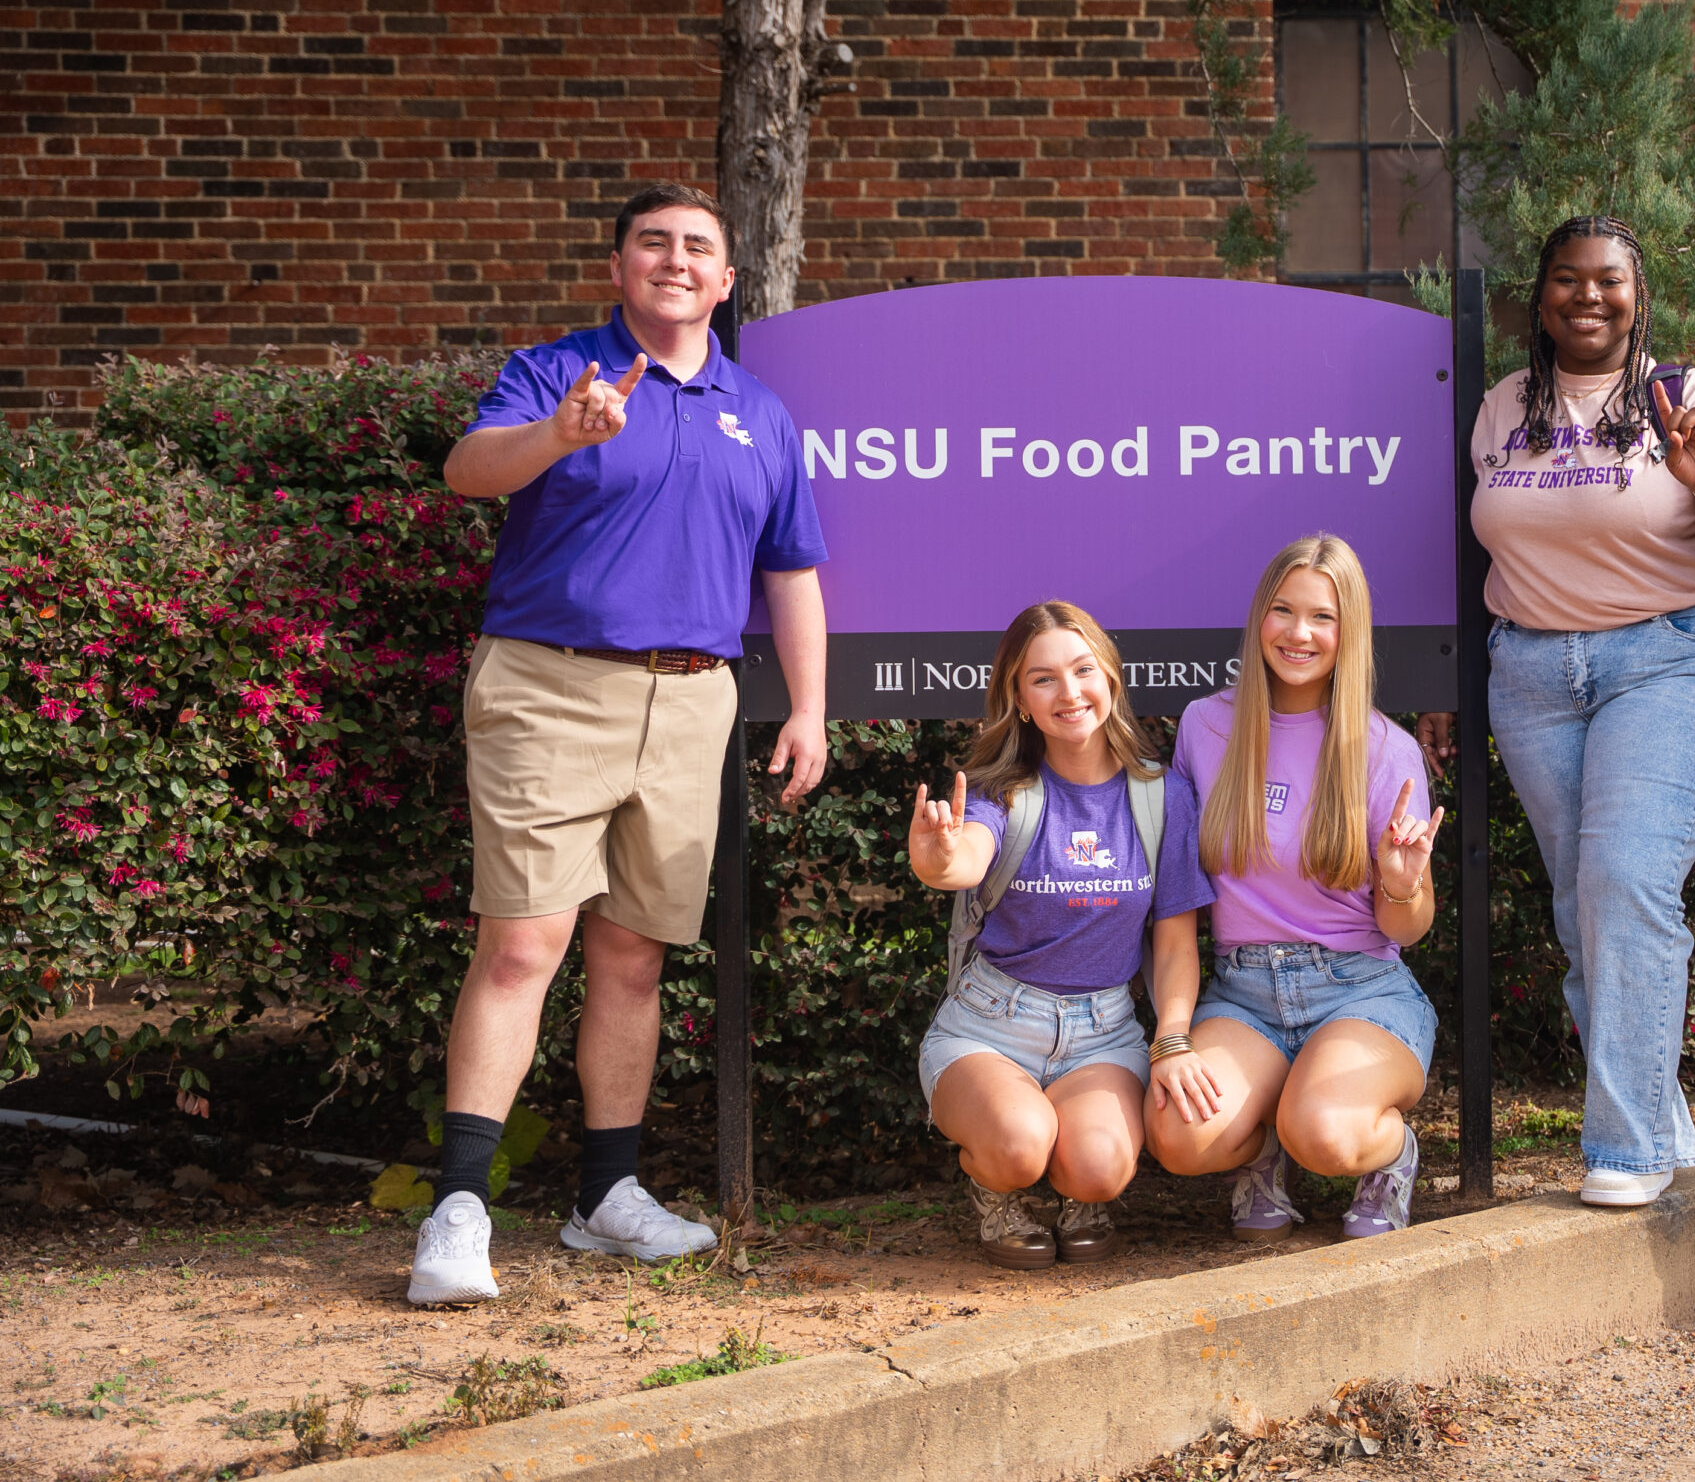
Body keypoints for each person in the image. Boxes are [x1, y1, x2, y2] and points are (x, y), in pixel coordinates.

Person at [408, 182, 831, 1306]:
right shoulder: (561, 372)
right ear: (618, 267)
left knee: (633, 957)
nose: (677, 260)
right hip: (552, 687)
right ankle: (459, 1210)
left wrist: (805, 707)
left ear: (728, 280)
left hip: (694, 703)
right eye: (654, 243)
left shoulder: (761, 411)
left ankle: (608, 1200)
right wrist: (561, 433)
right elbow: (466, 470)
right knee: (523, 943)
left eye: (699, 248)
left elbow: (790, 573)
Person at [1421, 216, 1695, 1208]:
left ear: (1638, 295)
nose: (1588, 297)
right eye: (1567, 281)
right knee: (1585, 911)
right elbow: (1484, 548)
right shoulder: (1503, 406)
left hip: (1672, 660)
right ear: (1538, 299)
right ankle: (1662, 1121)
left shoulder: (1690, 397)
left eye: (1609, 282)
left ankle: (1626, 1151)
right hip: (1534, 673)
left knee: (1624, 878)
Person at [1146, 534, 1445, 1240]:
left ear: (1351, 632)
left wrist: (1402, 886)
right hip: (1244, 992)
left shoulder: (1385, 750)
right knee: (1179, 1136)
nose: (1299, 633)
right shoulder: (1205, 726)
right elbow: (1180, 901)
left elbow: (1405, 930)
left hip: (1360, 990)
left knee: (1329, 1134)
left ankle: (1391, 1153)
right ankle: (1266, 1147)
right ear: (1259, 619)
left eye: (1323, 617)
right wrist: (1175, 1036)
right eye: (1283, 611)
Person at [904, 602, 1215, 1269]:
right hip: (990, 1026)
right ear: (1018, 699)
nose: (1068, 692)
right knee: (1019, 1146)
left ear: (1110, 678)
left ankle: (1081, 1194)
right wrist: (936, 856)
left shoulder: (1165, 797)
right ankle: (996, 1190)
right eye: (1042, 679)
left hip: (1103, 1032)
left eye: (1082, 670)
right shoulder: (1000, 792)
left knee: (1099, 1168)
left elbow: (1176, 944)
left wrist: (1174, 1038)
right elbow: (962, 859)